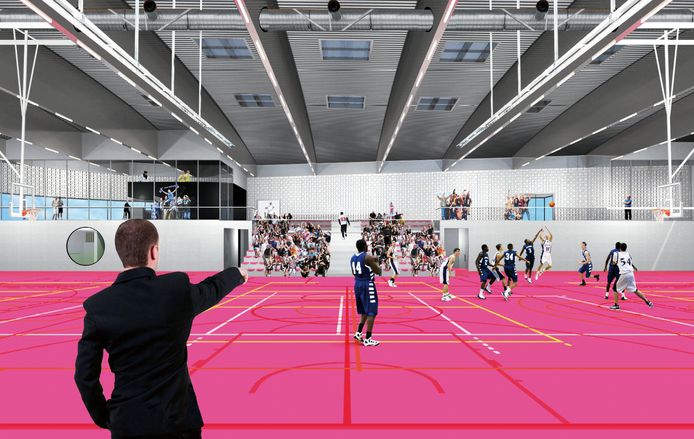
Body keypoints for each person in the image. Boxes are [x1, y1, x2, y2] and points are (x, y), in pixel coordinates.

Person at [74, 219, 248, 438]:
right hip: (178, 424)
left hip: (127, 424)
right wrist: (236, 274)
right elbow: (211, 289)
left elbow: (84, 375)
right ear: (154, 251)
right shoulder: (176, 288)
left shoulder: (98, 306)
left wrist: (106, 417)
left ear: (120, 254)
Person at [351, 239, 383, 347]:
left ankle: (358, 332)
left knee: (364, 311)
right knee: (371, 311)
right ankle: (368, 338)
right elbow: (378, 271)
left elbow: (356, 270)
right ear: (365, 246)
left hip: (357, 284)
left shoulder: (353, 257)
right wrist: (377, 263)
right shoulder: (367, 257)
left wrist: (374, 259)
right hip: (367, 284)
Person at [609, 243, 653, 310]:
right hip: (631, 274)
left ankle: (616, 305)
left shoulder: (616, 254)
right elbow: (630, 263)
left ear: (620, 248)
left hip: (624, 274)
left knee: (615, 289)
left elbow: (613, 263)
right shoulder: (628, 254)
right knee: (635, 290)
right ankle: (648, 301)